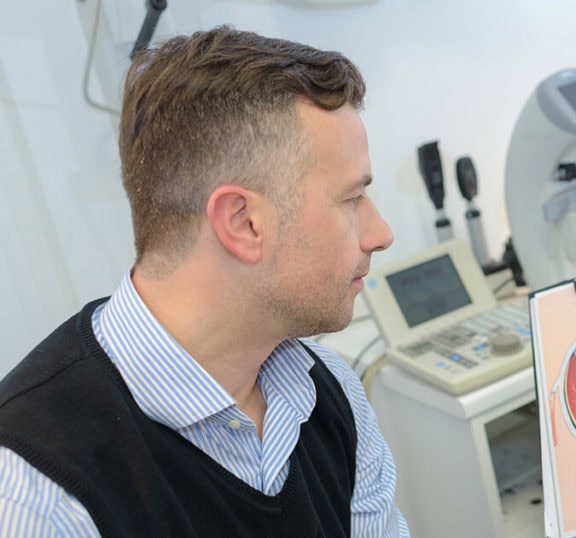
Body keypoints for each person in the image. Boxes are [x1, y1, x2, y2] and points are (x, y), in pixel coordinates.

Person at [0, 26, 409, 536]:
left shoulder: (330, 391)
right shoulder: (36, 495)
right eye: (351, 200)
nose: (381, 234)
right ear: (242, 223)